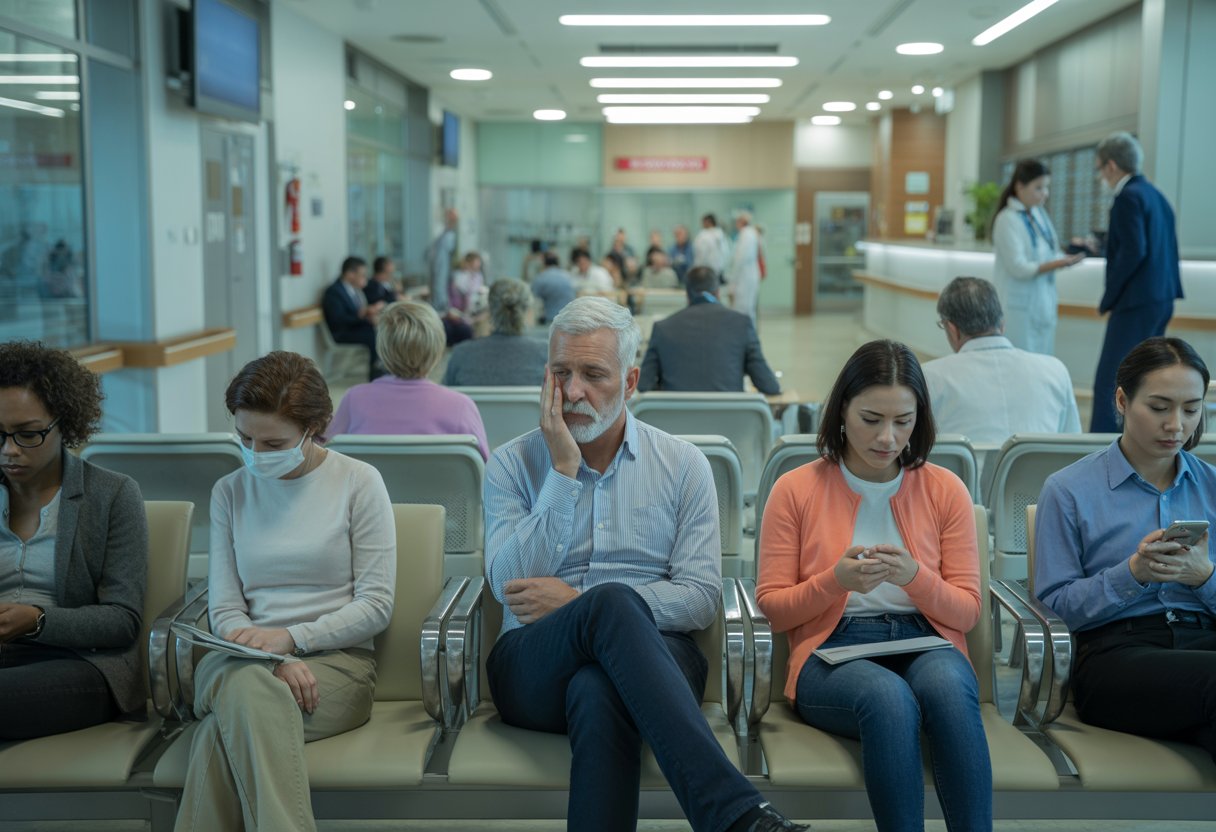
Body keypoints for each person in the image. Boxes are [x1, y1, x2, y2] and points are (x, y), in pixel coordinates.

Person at [484, 296, 807, 832]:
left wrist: (578, 603)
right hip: (532, 663)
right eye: (561, 373)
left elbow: (700, 597)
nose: (573, 391)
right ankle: (735, 816)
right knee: (611, 605)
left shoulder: (684, 465)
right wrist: (562, 471)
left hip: (658, 658)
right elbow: (508, 586)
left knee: (599, 682)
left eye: (593, 375)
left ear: (631, 381)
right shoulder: (512, 464)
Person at [756, 339, 990, 831]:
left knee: (949, 689)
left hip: (926, 637)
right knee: (888, 698)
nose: (888, 437)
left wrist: (915, 578)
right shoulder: (795, 488)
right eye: (871, 419)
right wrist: (833, 581)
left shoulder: (944, 488)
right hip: (831, 649)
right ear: (842, 410)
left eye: (903, 421)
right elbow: (773, 610)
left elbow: (968, 611)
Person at [175, 351, 396, 831]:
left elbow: (376, 605)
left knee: (219, 732)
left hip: (335, 666)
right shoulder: (229, 491)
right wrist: (270, 658)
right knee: (249, 686)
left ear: (314, 428)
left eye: (273, 442)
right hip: (237, 658)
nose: (256, 453)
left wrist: (291, 640)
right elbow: (225, 608)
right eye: (245, 439)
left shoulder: (358, 483)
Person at [1035, 336, 1216, 761]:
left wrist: (1204, 576)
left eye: (1191, 409)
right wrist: (1132, 574)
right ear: (1121, 400)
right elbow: (1054, 608)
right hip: (1116, 655)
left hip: (1202, 644)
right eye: (1159, 407)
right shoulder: (1068, 490)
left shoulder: (1212, 485)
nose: (1176, 425)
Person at [0, 341, 147, 740]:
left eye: (27, 435)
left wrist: (36, 620)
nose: (9, 451)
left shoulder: (111, 494)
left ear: (64, 423)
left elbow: (122, 620)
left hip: (79, 663)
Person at [1089, 132, 1183, 433]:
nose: (1101, 176)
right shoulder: (1156, 195)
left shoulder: (1127, 197)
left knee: (1112, 377)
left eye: (1100, 169)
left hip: (1135, 303)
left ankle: (1101, 444)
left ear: (1111, 165)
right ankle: (1140, 436)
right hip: (1161, 299)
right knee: (1145, 377)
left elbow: (1134, 250)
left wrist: (1109, 298)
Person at [923, 277, 1080, 452]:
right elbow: (1073, 450)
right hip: (1041, 471)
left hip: (961, 472)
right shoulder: (1055, 370)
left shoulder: (929, 377)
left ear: (952, 329)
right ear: (1002, 324)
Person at [329, 300, 489, 460]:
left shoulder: (354, 399)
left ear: (382, 348)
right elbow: (482, 468)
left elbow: (328, 452)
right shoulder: (461, 406)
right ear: (438, 348)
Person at [639, 266, 780, 395]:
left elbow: (643, 384)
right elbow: (769, 386)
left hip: (676, 415)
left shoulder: (662, 328)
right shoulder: (742, 324)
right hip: (729, 414)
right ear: (718, 293)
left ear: (687, 295)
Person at [990, 160, 1083, 355]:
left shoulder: (1039, 214)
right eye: (1038, 188)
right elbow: (1018, 267)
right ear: (1019, 186)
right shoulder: (1007, 219)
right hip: (1019, 308)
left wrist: (1068, 255)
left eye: (1046, 187)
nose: (1045, 193)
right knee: (1021, 360)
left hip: (1043, 302)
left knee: (1043, 358)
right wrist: (1056, 263)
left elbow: (1051, 250)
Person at [443, 278, 548, 387]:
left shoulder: (461, 354)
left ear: (489, 310)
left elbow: (446, 393)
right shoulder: (545, 353)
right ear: (527, 310)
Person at [321, 256, 385, 381]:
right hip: (342, 333)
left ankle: (382, 369)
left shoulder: (353, 290)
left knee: (381, 331)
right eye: (362, 275)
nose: (364, 278)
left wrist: (367, 314)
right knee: (373, 336)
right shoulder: (334, 292)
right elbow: (338, 320)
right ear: (350, 274)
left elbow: (358, 312)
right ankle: (376, 375)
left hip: (355, 328)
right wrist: (363, 318)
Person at [727, 212, 761, 321]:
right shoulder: (750, 234)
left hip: (744, 278)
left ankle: (746, 330)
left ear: (741, 222)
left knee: (742, 309)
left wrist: (732, 282)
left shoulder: (746, 235)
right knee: (747, 309)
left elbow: (740, 259)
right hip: (748, 276)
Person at [530, 251, 575, 323]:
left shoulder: (541, 278)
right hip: (568, 317)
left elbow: (532, 297)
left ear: (544, 264)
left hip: (550, 318)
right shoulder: (568, 276)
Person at [428, 207, 459, 314]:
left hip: (446, 270)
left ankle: (442, 307)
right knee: (439, 288)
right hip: (440, 268)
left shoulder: (452, 235)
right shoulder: (443, 235)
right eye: (450, 217)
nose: (451, 220)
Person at [449, 251, 488, 318]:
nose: (479, 264)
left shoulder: (478, 275)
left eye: (479, 262)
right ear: (469, 262)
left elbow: (477, 289)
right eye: (477, 262)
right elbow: (462, 289)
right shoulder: (459, 275)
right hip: (459, 307)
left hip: (473, 307)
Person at [693, 213, 728, 280]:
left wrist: (697, 268)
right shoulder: (721, 235)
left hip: (705, 271)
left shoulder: (703, 236)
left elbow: (701, 254)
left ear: (707, 222)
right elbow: (726, 253)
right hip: (719, 270)